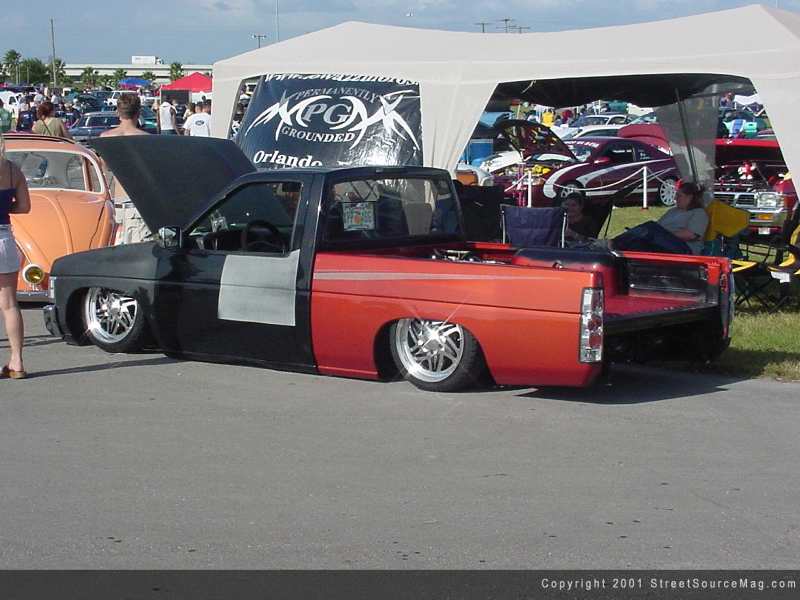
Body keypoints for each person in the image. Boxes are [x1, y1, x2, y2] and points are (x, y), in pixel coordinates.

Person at [99, 95, 151, 244]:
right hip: (139, 202)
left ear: (118, 112)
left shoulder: (106, 137)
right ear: (138, 113)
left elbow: (105, 166)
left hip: (119, 202)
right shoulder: (146, 139)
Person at [0, 132, 31, 379]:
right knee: (10, 304)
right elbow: (24, 206)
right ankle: (17, 361)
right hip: (4, 238)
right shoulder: (12, 170)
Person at [612, 181, 709, 255]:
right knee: (637, 244)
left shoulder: (699, 213)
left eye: (679, 196)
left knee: (651, 227)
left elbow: (691, 235)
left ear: (690, 197)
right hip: (666, 244)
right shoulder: (673, 211)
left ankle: (612, 243)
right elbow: (658, 228)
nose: (675, 198)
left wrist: (663, 235)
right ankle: (614, 255)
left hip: (685, 249)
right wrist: (658, 235)